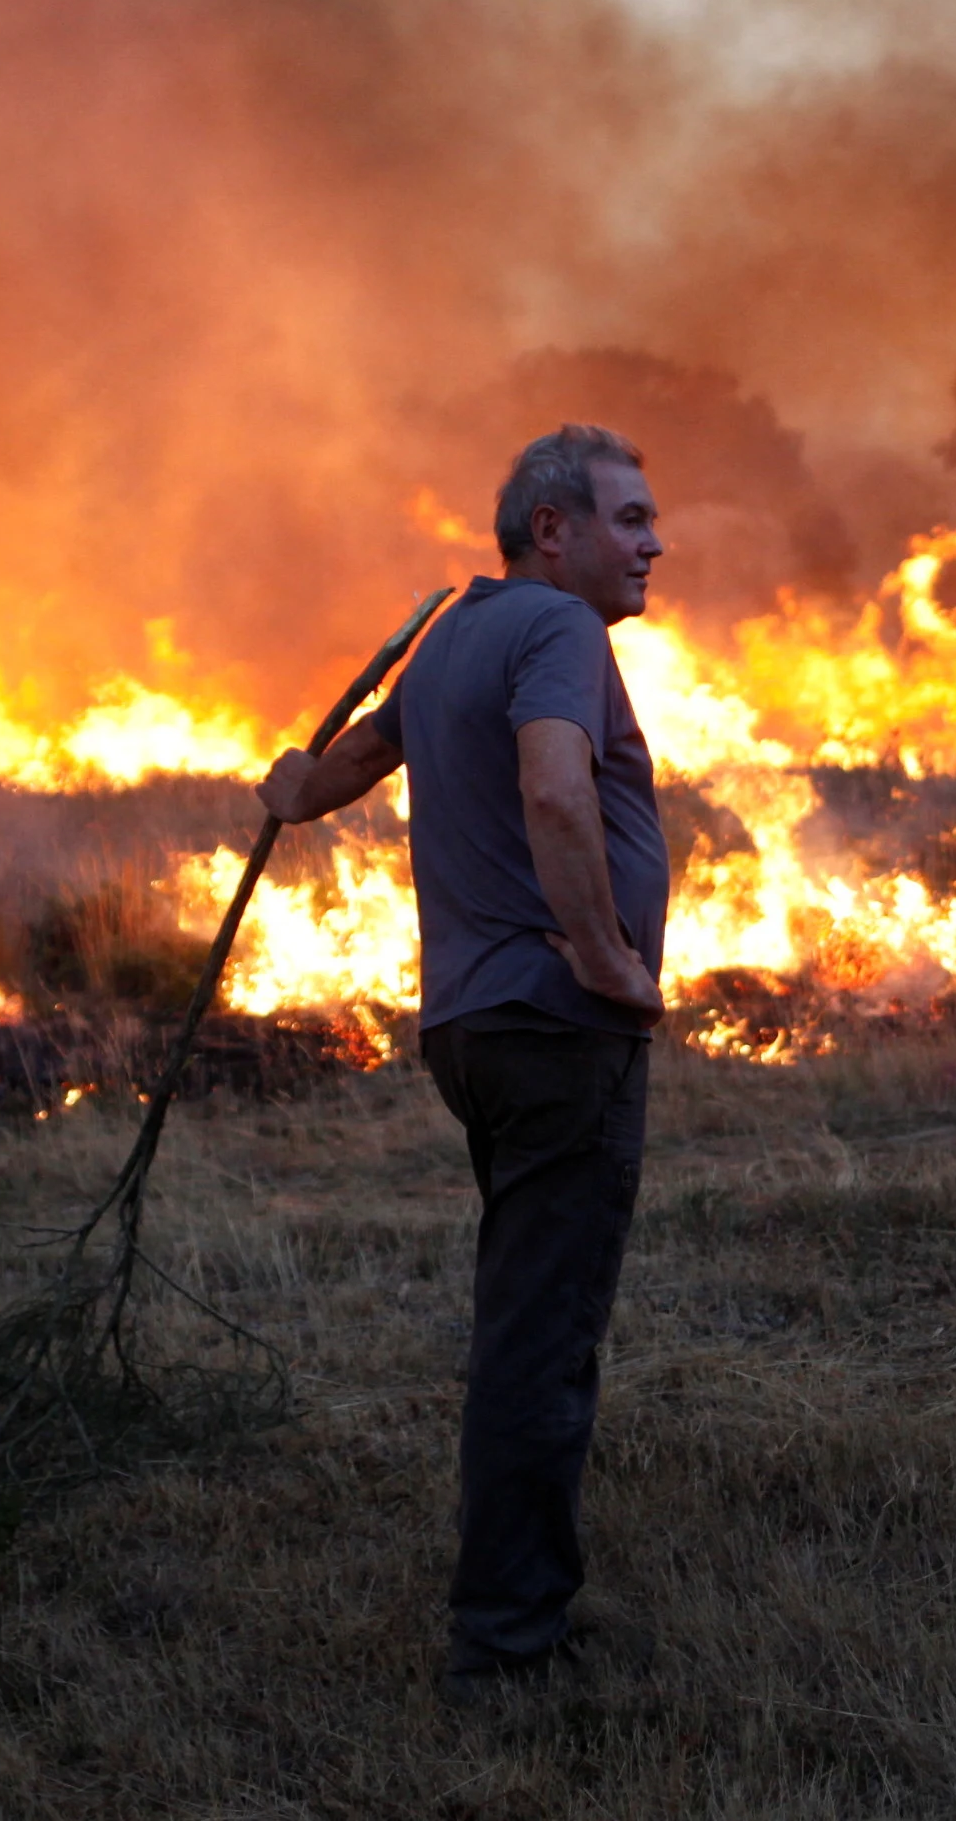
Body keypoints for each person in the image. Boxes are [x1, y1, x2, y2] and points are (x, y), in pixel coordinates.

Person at [256, 423, 670, 1703]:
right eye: (630, 518)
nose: (656, 542)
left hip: (472, 1028)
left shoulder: (454, 638)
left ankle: (526, 1601)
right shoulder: (557, 631)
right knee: (542, 1341)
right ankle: (505, 1648)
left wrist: (290, 789)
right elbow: (555, 792)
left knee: (527, 1322)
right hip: (555, 1025)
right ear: (553, 530)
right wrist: (604, 959)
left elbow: (364, 755)